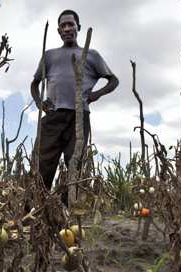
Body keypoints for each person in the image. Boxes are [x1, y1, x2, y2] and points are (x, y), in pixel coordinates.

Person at [31, 9, 119, 197]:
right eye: (63, 25)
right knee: (42, 165)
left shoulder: (90, 54)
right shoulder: (49, 55)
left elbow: (114, 81)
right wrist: (40, 103)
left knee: (74, 164)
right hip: (53, 116)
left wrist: (96, 94)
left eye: (71, 24)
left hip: (79, 118)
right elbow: (34, 84)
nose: (67, 28)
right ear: (58, 31)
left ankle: (66, 213)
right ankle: (35, 210)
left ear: (78, 27)